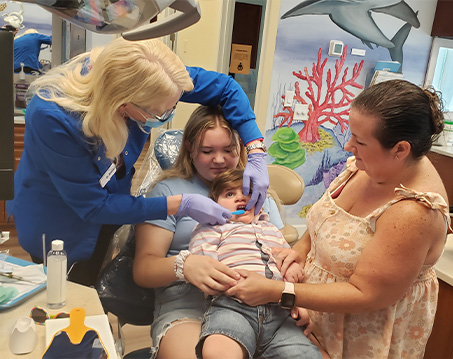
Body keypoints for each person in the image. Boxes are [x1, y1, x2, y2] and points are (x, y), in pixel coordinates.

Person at [6, 37, 269, 286]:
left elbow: (227, 88)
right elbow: (94, 207)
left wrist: (255, 150)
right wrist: (181, 204)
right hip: (62, 223)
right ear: (122, 105)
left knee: (98, 280)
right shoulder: (53, 117)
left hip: (113, 202)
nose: (168, 114)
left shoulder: (154, 73)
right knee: (69, 294)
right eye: (161, 111)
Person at [225, 79, 452, 359]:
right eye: (351, 134)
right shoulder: (371, 165)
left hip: (359, 334)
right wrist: (301, 250)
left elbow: (367, 295)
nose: (348, 145)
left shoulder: (413, 214)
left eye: (360, 140)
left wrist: (278, 291)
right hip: (310, 312)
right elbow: (327, 218)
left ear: (401, 149)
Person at [133, 105, 294, 359]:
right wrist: (184, 266)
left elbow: (284, 258)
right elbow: (143, 270)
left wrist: (294, 297)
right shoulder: (166, 193)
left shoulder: (258, 194)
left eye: (228, 150)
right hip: (188, 307)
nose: (219, 160)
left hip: (264, 309)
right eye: (207, 151)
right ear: (189, 147)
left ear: (240, 147)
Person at [189, 168, 321, 359]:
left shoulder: (271, 229)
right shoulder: (211, 228)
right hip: (233, 307)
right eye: (229, 193)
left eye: (248, 193)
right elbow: (205, 265)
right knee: (217, 351)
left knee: (306, 355)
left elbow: (287, 258)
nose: (241, 198)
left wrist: (295, 285)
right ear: (214, 205)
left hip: (280, 312)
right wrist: (221, 281)